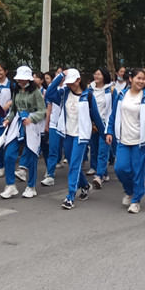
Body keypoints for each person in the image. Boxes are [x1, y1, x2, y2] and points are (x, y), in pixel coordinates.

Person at [46, 68, 101, 210]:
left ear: (79, 80)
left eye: (73, 82)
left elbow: (96, 116)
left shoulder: (88, 96)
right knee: (72, 164)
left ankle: (70, 196)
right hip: (67, 134)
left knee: (75, 164)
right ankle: (84, 185)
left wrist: (105, 133)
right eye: (68, 83)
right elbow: (49, 93)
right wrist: (60, 76)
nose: (71, 85)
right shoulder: (64, 93)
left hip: (81, 136)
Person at [106, 67, 145, 213]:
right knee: (120, 168)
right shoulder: (121, 95)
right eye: (138, 78)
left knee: (138, 172)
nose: (141, 81)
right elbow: (113, 115)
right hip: (123, 140)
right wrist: (109, 131)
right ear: (131, 79)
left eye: (144, 79)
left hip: (140, 142)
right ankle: (129, 191)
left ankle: (136, 201)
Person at [0, 66, 47, 199]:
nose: (20, 81)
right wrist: (8, 119)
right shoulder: (16, 90)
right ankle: (10, 185)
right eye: (19, 79)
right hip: (17, 124)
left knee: (32, 155)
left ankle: (31, 186)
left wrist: (31, 118)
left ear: (29, 79)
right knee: (9, 154)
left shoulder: (36, 92)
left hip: (31, 125)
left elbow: (42, 110)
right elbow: (13, 109)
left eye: (23, 79)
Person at [88, 68, 114, 188]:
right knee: (95, 149)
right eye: (95, 74)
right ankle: (104, 173)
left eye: (99, 74)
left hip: (105, 124)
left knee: (103, 151)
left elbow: (114, 109)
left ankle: (98, 176)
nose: (96, 76)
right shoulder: (89, 89)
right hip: (93, 124)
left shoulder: (111, 90)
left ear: (104, 76)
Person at [0, 64, 14, 178]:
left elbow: (15, 98)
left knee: (0, 141)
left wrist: (8, 105)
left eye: (0, 70)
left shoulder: (11, 85)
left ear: (6, 71)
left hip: (7, 117)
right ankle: (2, 164)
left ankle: (2, 165)